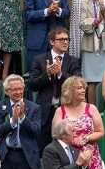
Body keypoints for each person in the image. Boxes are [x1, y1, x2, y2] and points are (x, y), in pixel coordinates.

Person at [52, 76, 105, 169]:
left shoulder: (91, 108)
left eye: (84, 88)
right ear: (69, 91)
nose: (83, 90)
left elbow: (100, 132)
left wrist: (87, 138)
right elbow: (55, 134)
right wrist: (73, 140)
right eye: (79, 88)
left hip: (90, 157)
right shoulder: (61, 111)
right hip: (68, 157)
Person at [28, 27, 81, 156]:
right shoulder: (40, 59)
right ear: (52, 41)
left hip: (66, 111)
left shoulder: (73, 61)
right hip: (45, 111)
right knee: (43, 151)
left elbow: (77, 83)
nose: (65, 42)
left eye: (67, 39)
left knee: (66, 151)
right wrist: (47, 74)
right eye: (61, 39)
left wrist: (60, 74)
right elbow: (32, 85)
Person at [0, 74, 41, 169]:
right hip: (7, 155)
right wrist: (13, 120)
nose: (18, 92)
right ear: (7, 91)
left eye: (20, 89)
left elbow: (35, 131)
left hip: (26, 156)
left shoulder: (33, 107)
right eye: (14, 90)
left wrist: (22, 117)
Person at [24, 0, 70, 69]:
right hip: (38, 39)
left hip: (57, 39)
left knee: (59, 74)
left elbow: (67, 12)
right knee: (36, 74)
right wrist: (47, 11)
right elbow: (28, 14)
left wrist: (58, 10)